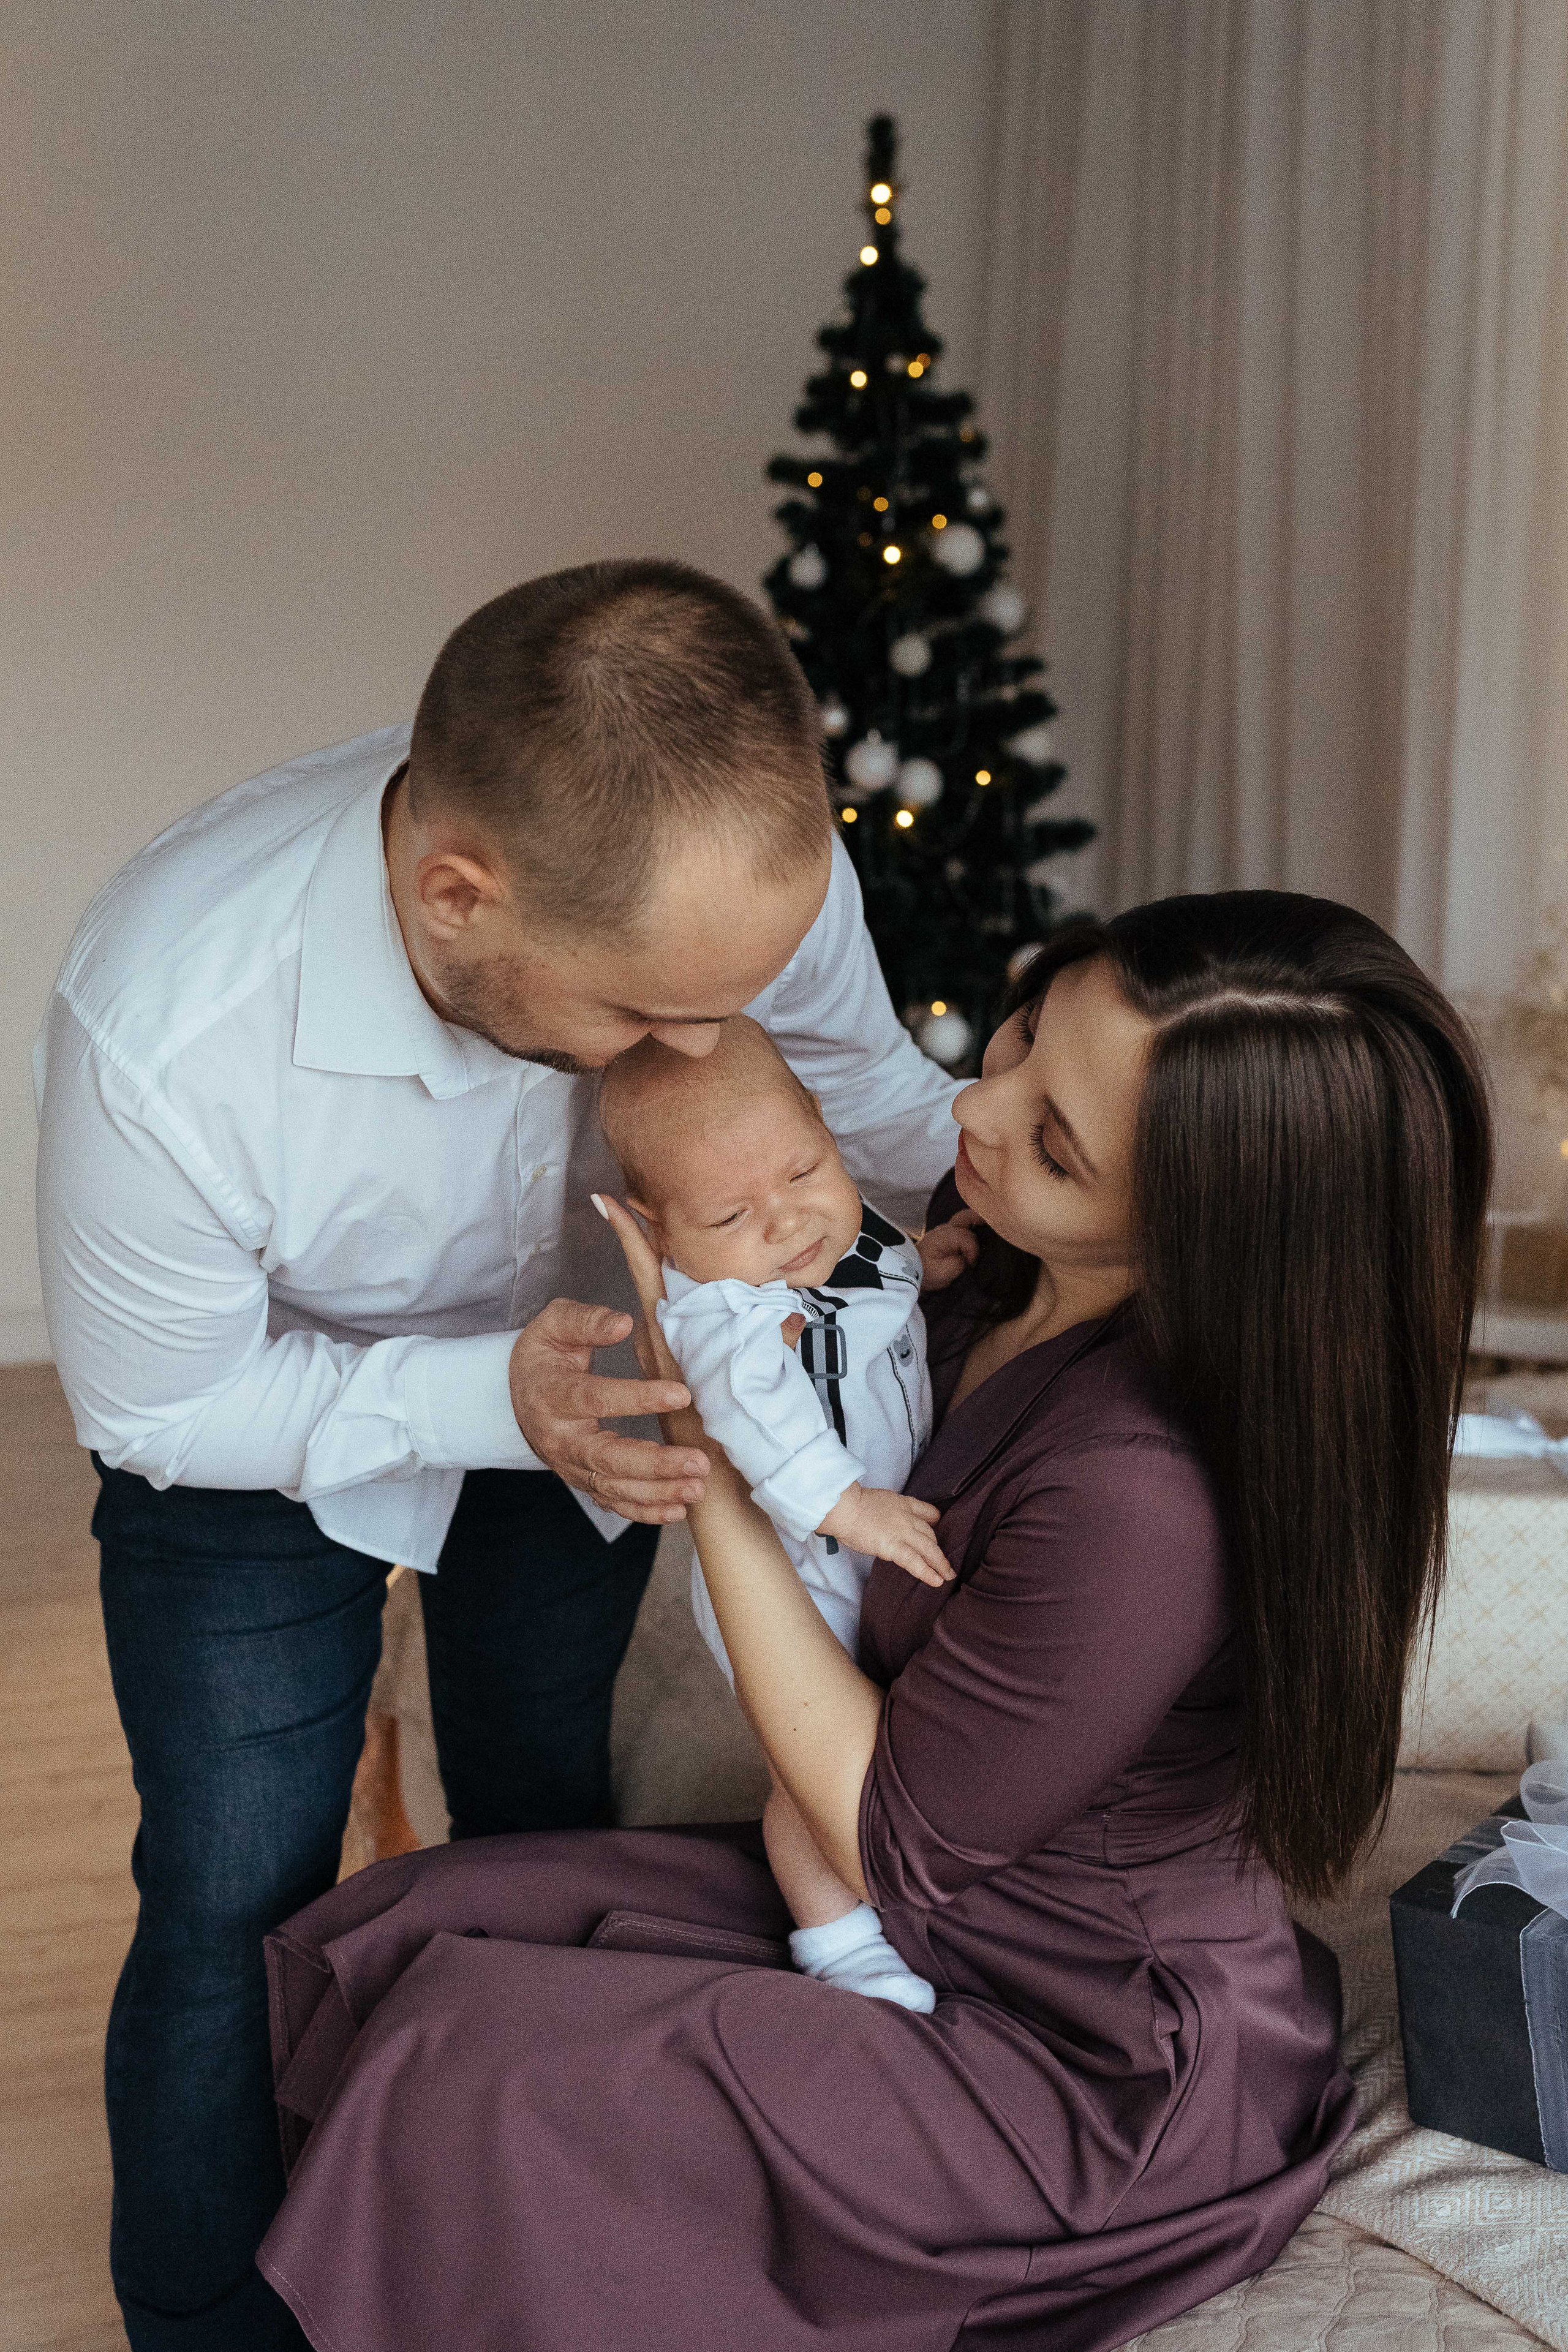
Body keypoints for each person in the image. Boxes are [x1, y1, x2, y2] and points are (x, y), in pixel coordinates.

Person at [252, 889, 1491, 2352]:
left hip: (1078, 2053)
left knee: (481, 2073)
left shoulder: (1134, 1497)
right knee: (404, 1929)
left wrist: (704, 1447)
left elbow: (877, 1831)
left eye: (1055, 1141)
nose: (976, 1105)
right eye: (1021, 1036)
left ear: (1200, 1229)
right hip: (930, 1920)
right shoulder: (986, 1283)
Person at [32, 560, 961, 2352]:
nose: (702, 1051)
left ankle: (487, 2252)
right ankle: (208, 2321)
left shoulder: (736, 884)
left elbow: (866, 1097)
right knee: (233, 1887)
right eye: (645, 1017)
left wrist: (1087, 1183)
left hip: (592, 1402)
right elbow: (157, 1410)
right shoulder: (169, 1024)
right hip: (257, 1439)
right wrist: (482, 1402)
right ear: (458, 898)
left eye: (727, 1000)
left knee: (544, 1823)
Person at [598, 1014, 951, 2013]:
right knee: (808, 1766)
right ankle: (836, 1942)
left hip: (861, 1537)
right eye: (728, 1216)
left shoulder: (839, 1227)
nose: (787, 1222)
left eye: (804, 1170)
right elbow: (755, 1418)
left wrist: (933, 1258)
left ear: (823, 1128)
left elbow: (880, 1266)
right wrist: (847, 1506)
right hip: (798, 1568)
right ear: (660, 1229)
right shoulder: (721, 1316)